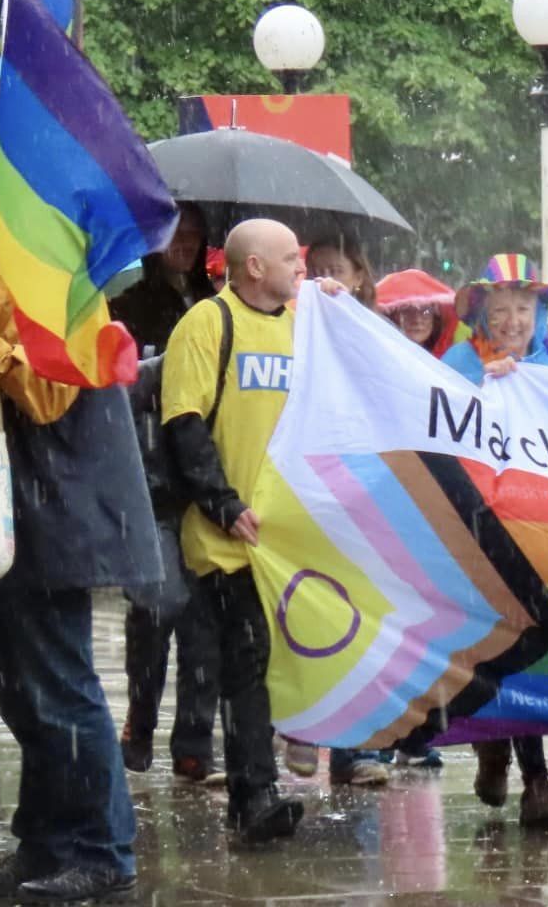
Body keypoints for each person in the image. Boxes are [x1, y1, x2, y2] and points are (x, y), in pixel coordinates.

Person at [0, 212, 164, 901]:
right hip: (26, 516)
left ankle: (103, 849)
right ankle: (43, 843)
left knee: (63, 688)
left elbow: (47, 392)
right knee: (27, 693)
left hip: (59, 515)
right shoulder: (20, 277)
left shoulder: (69, 290)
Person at [162, 218, 338, 845]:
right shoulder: (207, 324)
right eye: (292, 258)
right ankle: (254, 796)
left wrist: (342, 315)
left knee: (276, 658)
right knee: (246, 662)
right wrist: (222, 503)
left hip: (289, 537)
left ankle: (269, 779)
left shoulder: (304, 325)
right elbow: (183, 424)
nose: (303, 267)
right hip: (229, 537)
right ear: (255, 267)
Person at [440, 253, 548, 828]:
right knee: (491, 649)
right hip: (477, 535)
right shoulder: (459, 362)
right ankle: (493, 746)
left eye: (524, 307)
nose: (514, 320)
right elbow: (435, 420)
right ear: (483, 315)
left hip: (542, 535)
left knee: (535, 652)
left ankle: (535, 776)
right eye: (502, 309)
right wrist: (479, 389)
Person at [108, 203, 223, 783]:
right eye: (177, 232)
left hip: (206, 480)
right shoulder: (127, 308)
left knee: (203, 622)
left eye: (196, 233)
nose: (186, 243)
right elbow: (117, 386)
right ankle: (141, 720)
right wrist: (159, 371)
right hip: (150, 481)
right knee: (156, 607)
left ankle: (194, 741)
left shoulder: (219, 306)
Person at [376, 269, 459, 358]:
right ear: (393, 316)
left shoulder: (450, 359)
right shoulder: (380, 356)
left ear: (434, 319)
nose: (417, 320)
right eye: (407, 311)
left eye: (426, 311)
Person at [306, 232, 379, 309]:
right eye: (315, 272)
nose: (325, 279)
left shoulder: (369, 320)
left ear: (358, 278)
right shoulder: (300, 315)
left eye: (335, 271)